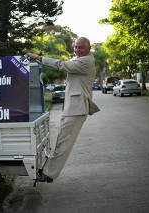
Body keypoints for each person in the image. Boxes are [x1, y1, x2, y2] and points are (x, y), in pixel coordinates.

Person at [27, 37, 100, 183]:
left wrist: (39, 58)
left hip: (76, 109)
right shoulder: (81, 59)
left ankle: (49, 173)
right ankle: (48, 171)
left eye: (81, 47)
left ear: (89, 48)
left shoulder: (86, 61)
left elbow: (61, 65)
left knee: (63, 144)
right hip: (72, 108)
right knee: (61, 141)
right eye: (76, 47)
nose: (77, 50)